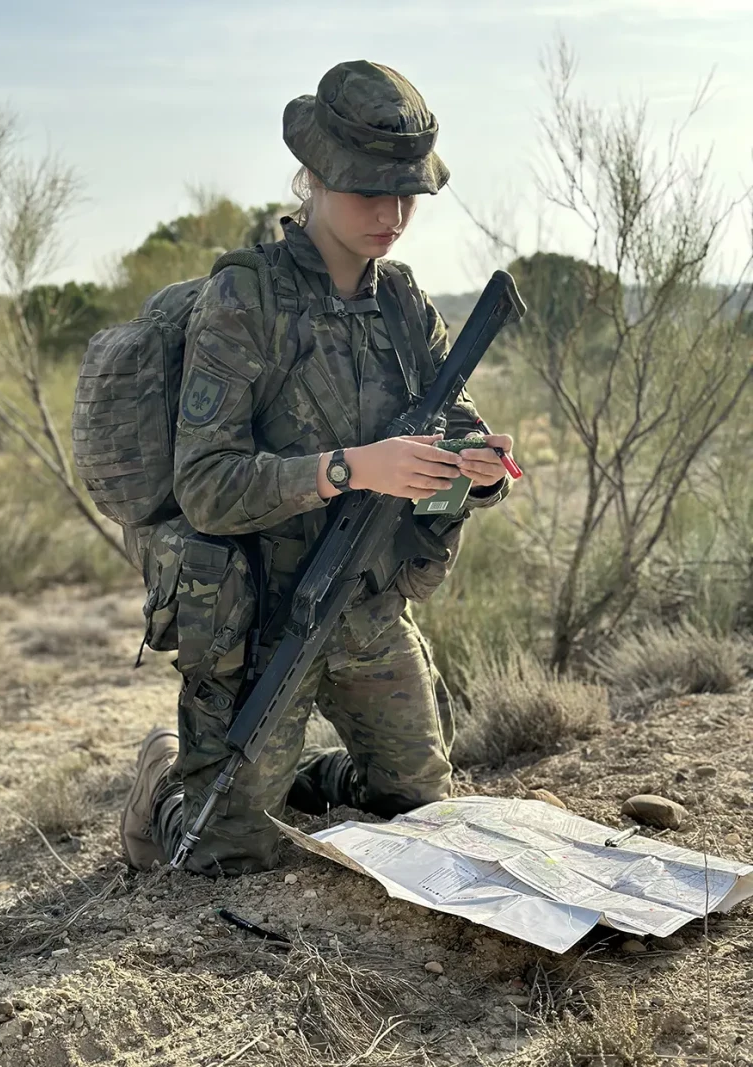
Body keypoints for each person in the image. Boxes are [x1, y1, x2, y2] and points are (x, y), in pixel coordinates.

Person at [120, 60, 515, 878]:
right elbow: (208, 485)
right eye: (370, 190)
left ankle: (307, 777)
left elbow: (461, 437)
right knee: (226, 855)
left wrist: (478, 473)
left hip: (366, 606)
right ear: (314, 180)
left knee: (422, 818)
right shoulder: (245, 299)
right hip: (262, 616)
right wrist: (352, 467)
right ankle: (164, 785)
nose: (392, 213)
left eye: (407, 192)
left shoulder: (404, 303)